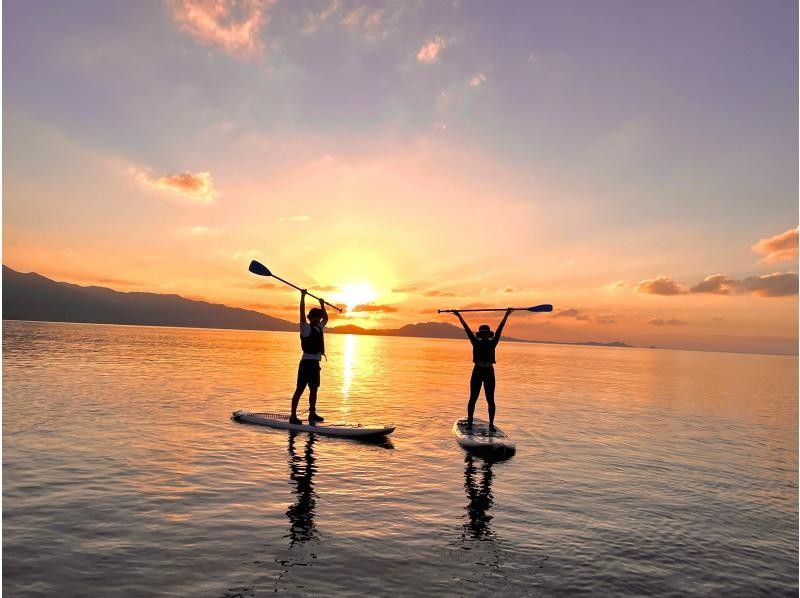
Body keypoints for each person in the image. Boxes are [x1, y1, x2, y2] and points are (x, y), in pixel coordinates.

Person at [451, 308, 513, 430]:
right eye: (483, 333)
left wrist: (506, 315)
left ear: (489, 335)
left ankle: (491, 425)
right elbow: (467, 329)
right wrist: (459, 316)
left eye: (486, 334)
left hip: (489, 372)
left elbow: (500, 329)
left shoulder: (493, 342)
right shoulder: (475, 342)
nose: (485, 335)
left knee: (491, 399)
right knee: (473, 397)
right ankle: (470, 422)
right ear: (480, 335)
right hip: (477, 371)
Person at [289, 289, 328, 425]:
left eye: (318, 318)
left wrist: (322, 304)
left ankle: (312, 413)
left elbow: (326, 318)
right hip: (306, 364)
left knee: (314, 389)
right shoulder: (305, 328)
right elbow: (301, 313)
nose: (318, 320)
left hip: (315, 365)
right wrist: (302, 297)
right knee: (300, 389)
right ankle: (293, 416)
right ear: (310, 318)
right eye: (315, 317)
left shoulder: (319, 328)